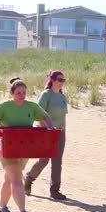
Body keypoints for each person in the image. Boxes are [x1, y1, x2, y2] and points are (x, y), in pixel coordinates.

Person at [0, 77, 54, 212]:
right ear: (12, 93)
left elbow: (46, 117)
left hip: (24, 149)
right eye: (18, 92)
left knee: (9, 178)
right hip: (7, 149)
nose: (21, 95)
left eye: (24, 92)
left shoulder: (31, 106)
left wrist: (50, 128)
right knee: (17, 179)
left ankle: (2, 206)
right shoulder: (5, 106)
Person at [24, 71, 68, 200]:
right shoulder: (46, 95)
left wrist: (63, 130)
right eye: (60, 80)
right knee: (44, 160)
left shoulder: (62, 96)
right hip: (47, 132)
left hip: (60, 133)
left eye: (63, 80)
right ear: (53, 80)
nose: (62, 82)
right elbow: (39, 114)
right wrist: (48, 128)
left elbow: (63, 115)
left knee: (57, 161)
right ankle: (29, 179)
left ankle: (55, 190)